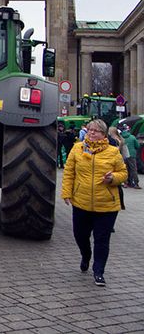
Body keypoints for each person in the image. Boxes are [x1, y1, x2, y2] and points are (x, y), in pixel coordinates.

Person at [61, 118, 127, 287]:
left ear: (104, 134)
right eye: (89, 129)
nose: (91, 132)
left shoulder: (113, 152)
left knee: (102, 239)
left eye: (96, 131)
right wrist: (67, 193)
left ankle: (99, 272)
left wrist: (113, 178)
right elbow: (69, 173)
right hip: (81, 202)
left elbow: (123, 173)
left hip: (106, 205)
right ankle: (85, 255)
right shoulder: (77, 149)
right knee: (80, 235)